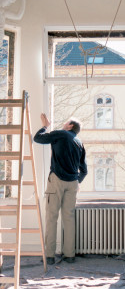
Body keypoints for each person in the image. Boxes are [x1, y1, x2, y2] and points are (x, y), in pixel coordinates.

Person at [34, 113, 88, 265]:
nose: (64, 124)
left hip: (57, 180)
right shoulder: (79, 142)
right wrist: (77, 182)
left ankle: (50, 256)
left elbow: (38, 138)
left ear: (70, 126)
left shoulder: (61, 134)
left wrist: (45, 126)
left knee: (52, 217)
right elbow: (84, 170)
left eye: (66, 122)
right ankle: (69, 255)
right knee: (69, 218)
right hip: (72, 183)